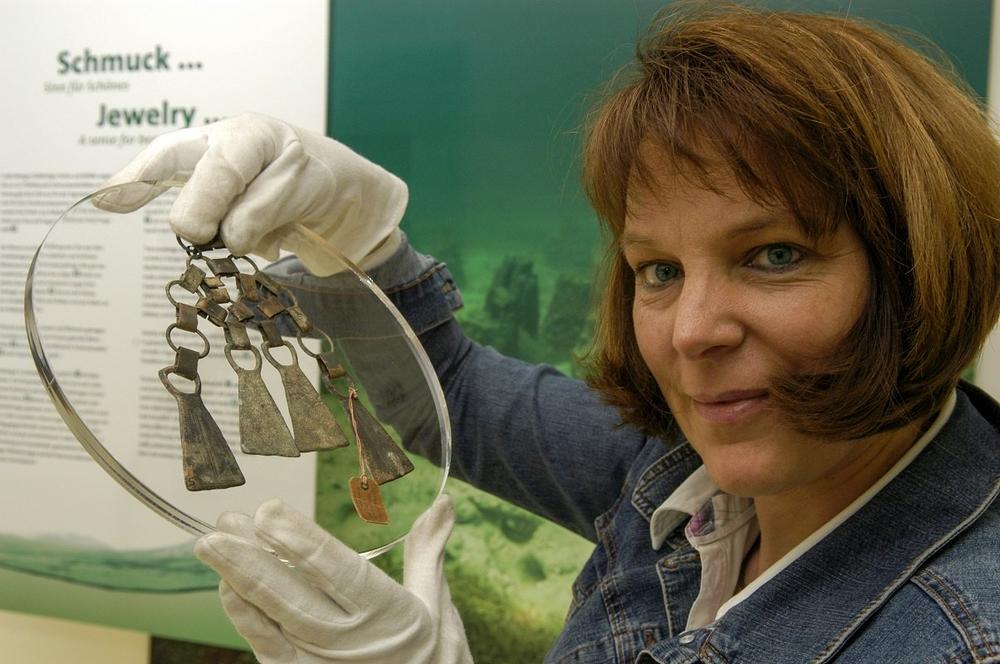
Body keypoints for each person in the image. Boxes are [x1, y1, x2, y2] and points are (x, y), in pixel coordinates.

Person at [97, 4, 1000, 663]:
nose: (692, 333)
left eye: (774, 255)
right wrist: (359, 253)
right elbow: (450, 396)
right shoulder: (673, 471)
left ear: (924, 262)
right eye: (659, 269)